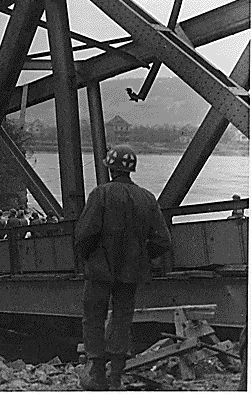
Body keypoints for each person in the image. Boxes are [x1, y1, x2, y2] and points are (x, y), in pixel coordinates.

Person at [75, 145, 171, 391]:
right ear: (131, 170)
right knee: (121, 319)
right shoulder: (147, 198)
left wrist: (88, 257)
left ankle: (96, 373)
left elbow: (85, 234)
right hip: (130, 273)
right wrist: (140, 257)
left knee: (93, 317)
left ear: (110, 168)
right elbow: (163, 241)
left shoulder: (101, 194)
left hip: (99, 270)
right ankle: (116, 376)